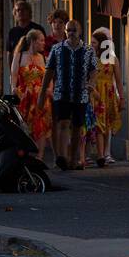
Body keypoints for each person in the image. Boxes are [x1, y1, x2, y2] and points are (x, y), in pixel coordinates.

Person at [36, 19, 97, 171]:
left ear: (80, 31)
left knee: (77, 127)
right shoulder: (57, 49)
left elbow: (94, 70)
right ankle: (62, 157)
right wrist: (42, 93)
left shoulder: (89, 50)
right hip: (61, 93)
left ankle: (73, 159)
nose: (70, 33)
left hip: (80, 94)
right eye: (68, 30)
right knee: (62, 123)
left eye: (74, 30)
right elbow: (49, 71)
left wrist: (92, 84)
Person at [10, 29, 52, 162]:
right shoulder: (20, 56)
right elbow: (14, 74)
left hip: (41, 96)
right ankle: (28, 153)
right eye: (41, 40)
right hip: (25, 95)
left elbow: (49, 77)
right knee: (26, 125)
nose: (43, 43)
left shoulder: (44, 58)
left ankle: (39, 156)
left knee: (42, 124)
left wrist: (49, 89)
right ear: (33, 41)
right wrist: (13, 88)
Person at [89, 27, 124, 167]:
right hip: (95, 94)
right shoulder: (91, 59)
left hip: (108, 94)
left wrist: (122, 99)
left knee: (107, 124)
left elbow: (119, 81)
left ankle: (106, 153)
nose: (91, 45)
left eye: (94, 43)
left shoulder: (113, 59)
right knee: (97, 124)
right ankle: (100, 155)